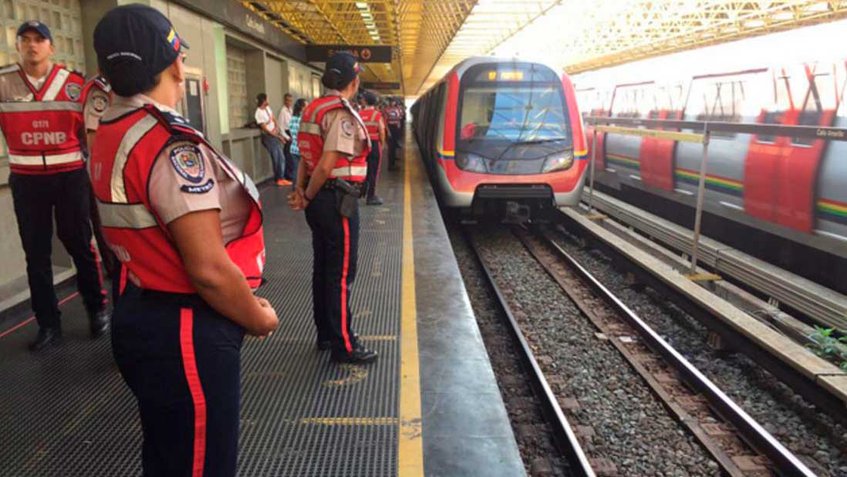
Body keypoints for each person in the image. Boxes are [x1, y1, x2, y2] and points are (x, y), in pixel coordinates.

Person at [91, 5, 279, 475]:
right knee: (202, 463)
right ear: (175, 63)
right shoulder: (168, 144)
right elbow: (209, 271)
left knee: (167, 455)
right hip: (185, 328)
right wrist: (256, 317)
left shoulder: (108, 129)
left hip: (139, 309)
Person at [0, 20, 109, 351]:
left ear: (51, 46)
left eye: (39, 40)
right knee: (36, 254)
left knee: (80, 245)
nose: (32, 45)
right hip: (26, 180)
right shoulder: (3, 83)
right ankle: (48, 324)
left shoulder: (75, 85)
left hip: (69, 177)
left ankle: (97, 310)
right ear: (17, 45)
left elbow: (93, 133)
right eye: (26, 40)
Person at [288, 52, 377, 364]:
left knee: (323, 267)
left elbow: (304, 158)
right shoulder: (339, 112)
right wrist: (309, 195)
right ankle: (345, 345)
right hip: (336, 200)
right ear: (354, 81)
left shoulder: (313, 108)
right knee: (340, 273)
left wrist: (302, 191)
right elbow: (326, 165)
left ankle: (326, 334)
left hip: (319, 199)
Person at [255, 92, 289, 186]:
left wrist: (277, 127)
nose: (268, 101)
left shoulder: (267, 109)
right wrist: (275, 135)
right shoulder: (258, 113)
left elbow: (273, 117)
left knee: (281, 156)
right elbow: (264, 128)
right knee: (276, 157)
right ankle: (278, 178)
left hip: (275, 133)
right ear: (264, 101)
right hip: (269, 137)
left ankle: (281, 177)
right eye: (267, 99)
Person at [358, 91, 386, 205]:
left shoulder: (359, 114)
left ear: (365, 101)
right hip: (374, 144)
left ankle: (361, 190)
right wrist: (382, 144)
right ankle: (371, 196)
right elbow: (381, 130)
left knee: (362, 168)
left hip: (362, 144)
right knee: (374, 170)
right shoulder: (377, 115)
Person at [277, 92, 295, 182]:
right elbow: (280, 127)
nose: (289, 102)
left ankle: (291, 174)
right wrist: (287, 137)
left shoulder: (291, 110)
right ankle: (288, 175)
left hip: (291, 132)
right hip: (287, 133)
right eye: (287, 100)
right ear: (284, 101)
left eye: (291, 101)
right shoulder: (282, 112)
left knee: (292, 155)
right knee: (288, 156)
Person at [288, 98, 307, 182]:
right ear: (302, 108)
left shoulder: (292, 119)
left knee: (296, 171)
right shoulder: (303, 119)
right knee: (303, 173)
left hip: (293, 148)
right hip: (302, 149)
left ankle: (294, 191)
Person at [386, 98, 403, 170]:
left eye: (394, 102)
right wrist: (388, 131)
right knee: (391, 147)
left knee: (394, 146)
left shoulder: (398, 109)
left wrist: (398, 125)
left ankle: (393, 160)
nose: (393, 103)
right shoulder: (387, 110)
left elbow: (400, 117)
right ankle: (390, 165)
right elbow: (385, 121)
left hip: (396, 128)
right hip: (390, 128)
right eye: (392, 101)